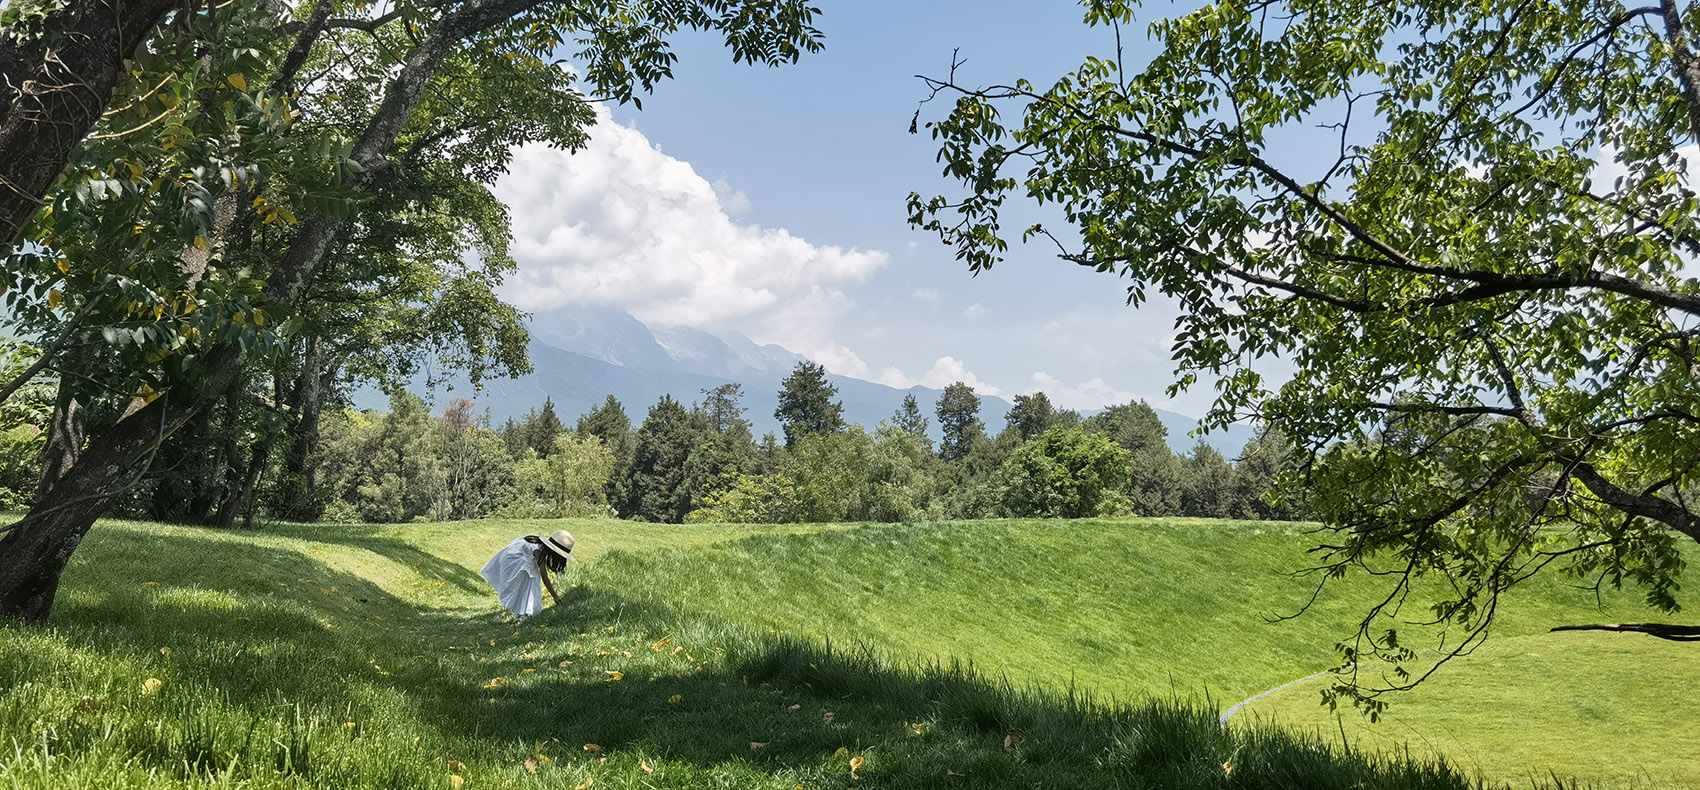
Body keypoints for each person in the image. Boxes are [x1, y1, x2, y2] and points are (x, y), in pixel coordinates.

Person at [479, 530, 576, 619]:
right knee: (529, 582)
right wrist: (555, 596)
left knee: (530, 581)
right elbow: (544, 576)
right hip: (514, 560)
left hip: (515, 557)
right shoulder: (538, 551)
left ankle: (525, 612)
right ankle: (525, 613)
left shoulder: (538, 544)